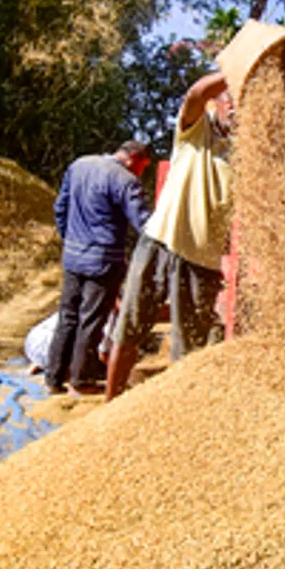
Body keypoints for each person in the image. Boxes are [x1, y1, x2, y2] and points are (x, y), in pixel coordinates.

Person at [105, 72, 233, 401]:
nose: (236, 109)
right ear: (217, 103)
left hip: (201, 261)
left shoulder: (250, 153)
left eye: (243, 104)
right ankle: (109, 406)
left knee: (187, 350)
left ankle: (177, 421)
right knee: (128, 329)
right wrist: (237, 69)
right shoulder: (196, 130)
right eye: (230, 100)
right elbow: (194, 94)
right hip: (158, 241)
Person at [46, 140, 151, 396]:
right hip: (103, 261)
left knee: (68, 317)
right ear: (134, 159)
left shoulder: (80, 165)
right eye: (143, 168)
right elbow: (145, 223)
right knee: (91, 321)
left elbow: (60, 208)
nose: (140, 173)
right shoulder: (124, 180)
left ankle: (53, 378)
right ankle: (82, 380)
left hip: (73, 257)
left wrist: (69, 240)